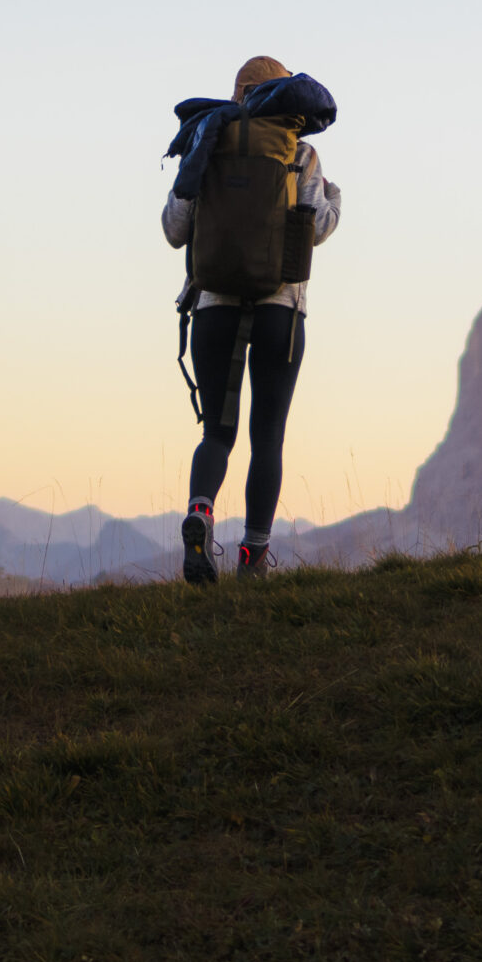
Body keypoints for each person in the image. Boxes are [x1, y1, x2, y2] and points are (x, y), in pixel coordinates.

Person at [161, 55, 342, 582]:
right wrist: (334, 198)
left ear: (237, 93)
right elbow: (317, 226)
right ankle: (253, 556)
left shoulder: (206, 141)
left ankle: (200, 514)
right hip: (280, 311)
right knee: (268, 437)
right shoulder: (299, 152)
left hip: (213, 307)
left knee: (217, 434)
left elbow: (175, 229)